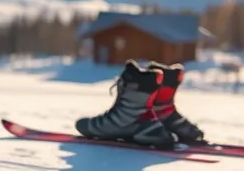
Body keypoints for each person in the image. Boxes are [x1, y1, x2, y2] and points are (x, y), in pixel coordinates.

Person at [75, 59, 204, 147]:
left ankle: (127, 121)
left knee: (134, 105)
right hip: (148, 121)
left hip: (136, 122)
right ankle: (149, 126)